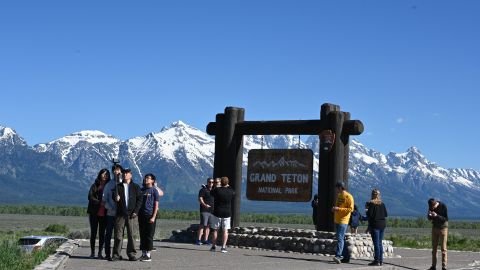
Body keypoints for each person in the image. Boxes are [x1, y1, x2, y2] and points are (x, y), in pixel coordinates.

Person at [112, 169, 142, 261]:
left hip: (132, 215)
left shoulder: (136, 187)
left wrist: (136, 211)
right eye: (124, 173)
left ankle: (131, 254)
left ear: (131, 175)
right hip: (120, 215)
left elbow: (140, 200)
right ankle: (116, 255)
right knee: (118, 236)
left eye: (127, 173)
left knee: (132, 235)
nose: (125, 175)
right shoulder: (118, 186)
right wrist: (115, 197)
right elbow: (114, 197)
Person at [87, 168, 110, 259]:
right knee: (93, 233)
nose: (105, 175)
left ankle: (100, 253)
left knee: (102, 234)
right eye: (103, 174)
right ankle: (92, 252)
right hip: (94, 212)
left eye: (107, 174)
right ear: (100, 174)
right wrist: (100, 202)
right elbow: (90, 197)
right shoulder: (95, 185)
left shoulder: (109, 186)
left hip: (104, 213)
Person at [138, 174, 160, 262]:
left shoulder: (154, 191)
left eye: (148, 178)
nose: (146, 179)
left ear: (152, 181)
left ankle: (148, 255)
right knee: (142, 235)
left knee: (149, 235)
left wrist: (154, 216)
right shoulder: (141, 190)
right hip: (141, 215)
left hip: (150, 215)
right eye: (145, 178)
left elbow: (156, 205)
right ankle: (143, 254)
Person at [210, 176, 235, 253]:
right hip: (227, 212)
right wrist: (228, 186)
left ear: (221, 182)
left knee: (215, 230)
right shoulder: (231, 191)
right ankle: (223, 247)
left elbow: (211, 192)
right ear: (227, 183)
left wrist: (218, 186)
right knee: (225, 230)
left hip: (217, 212)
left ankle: (213, 246)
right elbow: (233, 192)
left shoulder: (217, 190)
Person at [103, 164, 123, 261]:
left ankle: (117, 254)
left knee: (119, 236)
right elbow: (104, 200)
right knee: (108, 234)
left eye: (118, 170)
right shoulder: (109, 185)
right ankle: (107, 254)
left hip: (120, 215)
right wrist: (110, 208)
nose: (116, 172)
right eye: (115, 170)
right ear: (112, 172)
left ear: (121, 172)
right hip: (110, 214)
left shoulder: (124, 184)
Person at [332, 182, 354, 264]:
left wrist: (339, 209)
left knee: (340, 238)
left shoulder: (349, 196)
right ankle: (346, 257)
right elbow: (339, 206)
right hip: (337, 220)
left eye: (337, 187)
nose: (336, 189)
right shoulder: (339, 196)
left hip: (343, 221)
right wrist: (334, 209)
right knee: (341, 239)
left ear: (341, 187)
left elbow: (351, 209)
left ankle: (338, 255)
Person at [365, 189, 388, 266]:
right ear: (379, 195)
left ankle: (376, 260)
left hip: (375, 225)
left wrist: (367, 209)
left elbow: (369, 215)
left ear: (372, 195)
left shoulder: (371, 204)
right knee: (380, 243)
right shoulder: (382, 204)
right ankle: (381, 260)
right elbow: (385, 214)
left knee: (376, 243)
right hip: (383, 224)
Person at [427, 198, 449, 270]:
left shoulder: (443, 206)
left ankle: (444, 267)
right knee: (434, 249)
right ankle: (433, 266)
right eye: (431, 208)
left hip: (443, 228)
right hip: (435, 228)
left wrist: (436, 216)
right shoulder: (431, 207)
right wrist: (430, 215)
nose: (432, 209)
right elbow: (429, 218)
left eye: (433, 207)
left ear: (435, 203)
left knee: (443, 248)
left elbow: (445, 219)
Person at [196, 178, 215, 245]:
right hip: (204, 210)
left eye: (212, 182)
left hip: (212, 211)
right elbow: (200, 198)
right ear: (207, 182)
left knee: (208, 226)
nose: (211, 183)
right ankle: (198, 240)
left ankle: (206, 240)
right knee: (202, 225)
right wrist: (204, 205)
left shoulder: (213, 190)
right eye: (210, 182)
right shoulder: (203, 190)